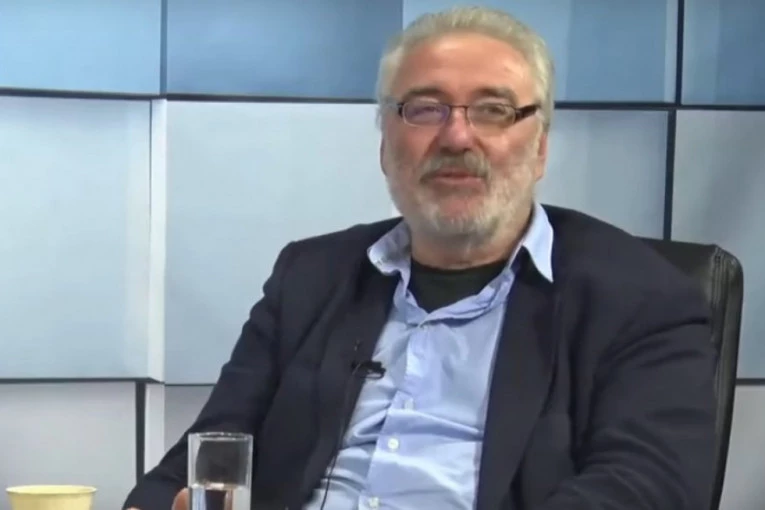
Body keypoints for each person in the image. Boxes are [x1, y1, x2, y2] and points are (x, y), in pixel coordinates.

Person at [124, 6, 717, 510]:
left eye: (493, 109)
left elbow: (647, 488)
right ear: (386, 142)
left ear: (539, 146)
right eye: (426, 108)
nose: (457, 137)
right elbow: (201, 462)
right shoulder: (310, 277)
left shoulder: (641, 299)